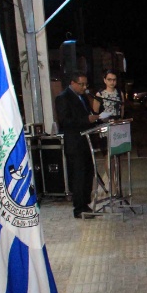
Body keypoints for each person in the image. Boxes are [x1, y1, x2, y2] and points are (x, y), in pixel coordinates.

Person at [55, 71, 100, 218]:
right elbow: (65, 121)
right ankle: (79, 208)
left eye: (86, 84)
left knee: (88, 174)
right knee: (79, 176)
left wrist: (97, 118)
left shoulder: (83, 98)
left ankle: (86, 204)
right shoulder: (63, 98)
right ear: (72, 83)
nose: (84, 87)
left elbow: (88, 114)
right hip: (75, 144)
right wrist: (87, 120)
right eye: (81, 84)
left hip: (87, 143)